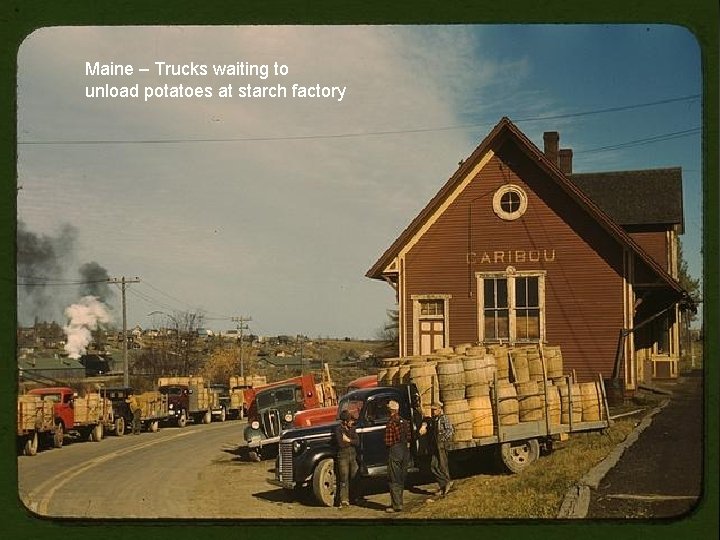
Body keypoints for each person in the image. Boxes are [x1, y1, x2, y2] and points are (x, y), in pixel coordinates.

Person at [421, 401, 454, 496]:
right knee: (434, 466)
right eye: (432, 410)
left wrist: (443, 439)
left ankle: (446, 485)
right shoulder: (433, 420)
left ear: (439, 409)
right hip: (435, 446)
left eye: (434, 410)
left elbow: (450, 430)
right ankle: (443, 484)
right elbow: (426, 421)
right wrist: (424, 425)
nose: (433, 412)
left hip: (441, 445)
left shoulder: (443, 418)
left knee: (443, 466)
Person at [384, 399, 411, 513]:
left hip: (395, 450)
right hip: (405, 450)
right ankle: (399, 501)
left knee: (393, 478)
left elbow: (388, 441)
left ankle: (396, 505)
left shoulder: (390, 423)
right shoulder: (404, 422)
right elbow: (409, 437)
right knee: (401, 478)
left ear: (390, 410)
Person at [334, 409, 360, 508]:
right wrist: (351, 441)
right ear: (345, 421)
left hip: (352, 455)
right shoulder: (338, 430)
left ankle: (355, 497)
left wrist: (347, 439)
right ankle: (344, 500)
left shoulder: (352, 429)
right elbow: (341, 444)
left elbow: (357, 442)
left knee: (354, 476)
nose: (352, 422)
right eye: (350, 420)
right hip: (343, 456)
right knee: (344, 478)